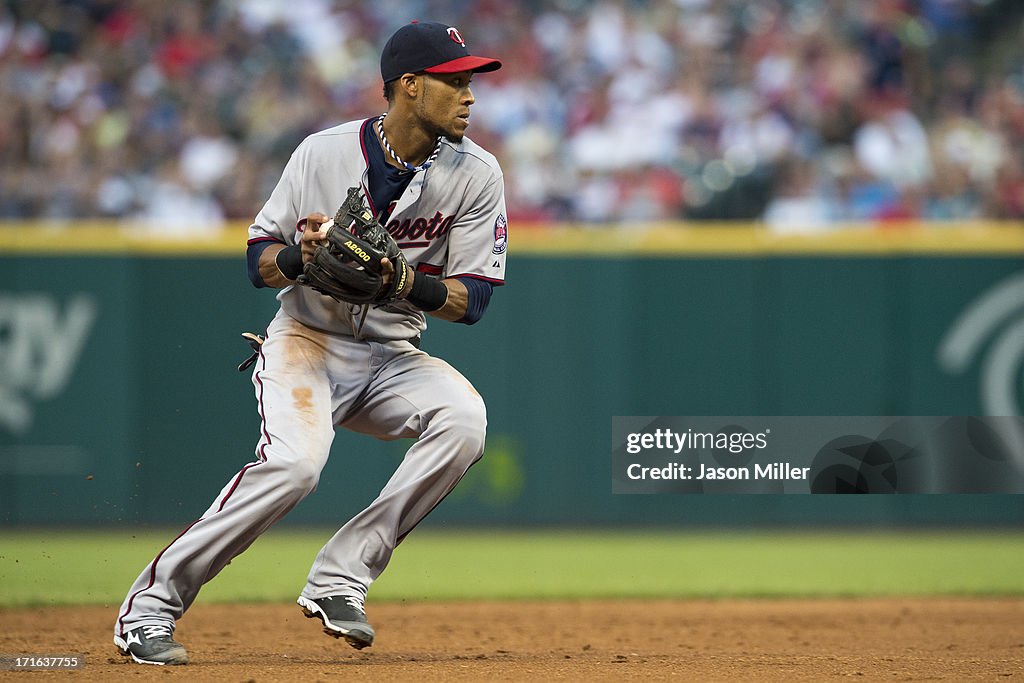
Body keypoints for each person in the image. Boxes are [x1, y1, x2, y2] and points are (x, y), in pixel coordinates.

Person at [113, 21, 507, 666]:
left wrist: (400, 277)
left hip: (391, 353)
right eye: (454, 82)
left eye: (470, 83)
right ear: (409, 87)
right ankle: (150, 610)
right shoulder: (322, 153)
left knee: (465, 420)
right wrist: (302, 257)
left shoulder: (477, 173)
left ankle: (340, 578)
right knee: (296, 466)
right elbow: (258, 258)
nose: (469, 96)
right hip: (307, 341)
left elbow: (473, 301)